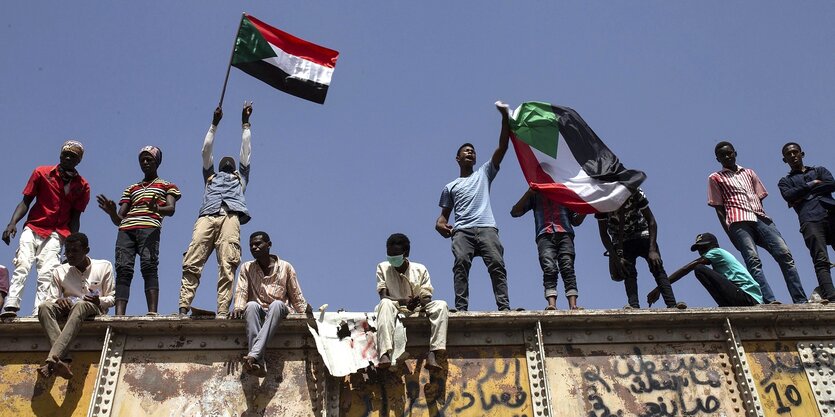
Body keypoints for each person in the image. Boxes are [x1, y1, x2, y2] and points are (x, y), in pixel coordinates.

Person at [435, 101, 512, 312]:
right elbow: (442, 217)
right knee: (460, 266)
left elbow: (503, 147)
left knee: (497, 265)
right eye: (466, 151)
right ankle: (461, 308)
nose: (470, 153)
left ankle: (504, 308)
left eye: (473, 151)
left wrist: (505, 118)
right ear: (457, 158)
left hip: (487, 227)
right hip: (462, 232)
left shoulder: (484, 174)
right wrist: (440, 225)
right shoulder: (450, 186)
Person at [708, 141, 807, 303]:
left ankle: (800, 299)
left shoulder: (749, 173)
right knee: (753, 261)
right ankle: (769, 300)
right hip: (738, 220)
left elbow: (758, 196)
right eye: (722, 155)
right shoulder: (715, 178)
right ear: (718, 159)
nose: (727, 157)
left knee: (785, 254)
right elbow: (719, 208)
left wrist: (762, 218)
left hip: (760, 217)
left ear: (735, 153)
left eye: (729, 153)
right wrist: (729, 232)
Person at [2, 141, 90, 319]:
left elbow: (75, 217)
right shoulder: (42, 173)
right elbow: (26, 201)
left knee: (48, 273)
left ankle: (39, 311)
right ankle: (12, 304)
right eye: (65, 154)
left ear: (78, 161)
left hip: (57, 234)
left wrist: (72, 245)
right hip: (34, 226)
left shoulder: (82, 186)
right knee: (23, 264)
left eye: (72, 156)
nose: (67, 158)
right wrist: (12, 223)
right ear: (60, 155)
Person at [180, 102, 253, 318]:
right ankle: (184, 306)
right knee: (193, 259)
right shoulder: (210, 177)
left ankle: (222, 310)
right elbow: (205, 151)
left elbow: (246, 152)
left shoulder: (241, 178)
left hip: (230, 217)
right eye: (225, 163)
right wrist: (214, 124)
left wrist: (245, 124)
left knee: (227, 264)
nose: (229, 164)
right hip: (208, 216)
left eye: (231, 163)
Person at [97, 146, 180, 315]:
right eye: (142, 160)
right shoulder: (132, 188)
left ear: (157, 162)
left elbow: (170, 209)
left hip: (149, 228)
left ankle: (152, 312)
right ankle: (119, 314)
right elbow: (119, 219)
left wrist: (156, 207)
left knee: (148, 266)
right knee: (123, 269)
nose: (145, 162)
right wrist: (112, 212)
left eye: (149, 159)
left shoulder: (166, 186)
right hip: (126, 229)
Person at [231, 231, 310, 377]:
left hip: (279, 311)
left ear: (269, 245)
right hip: (259, 311)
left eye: (258, 244)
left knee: (277, 304)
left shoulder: (285, 267)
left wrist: (307, 314)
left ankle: (254, 355)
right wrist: (238, 307)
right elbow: (241, 291)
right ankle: (257, 362)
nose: (254, 248)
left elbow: (296, 295)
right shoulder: (246, 268)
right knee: (251, 306)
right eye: (251, 246)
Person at [36, 233, 114, 379]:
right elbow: (51, 298)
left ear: (86, 250)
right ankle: (63, 360)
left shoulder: (104, 266)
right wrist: (58, 301)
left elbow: (111, 298)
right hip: (68, 309)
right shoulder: (60, 271)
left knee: (80, 304)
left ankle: (51, 363)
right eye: (67, 251)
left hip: (92, 308)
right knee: (44, 307)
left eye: (75, 251)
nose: (70, 255)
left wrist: (99, 301)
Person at [596, 189, 686, 309]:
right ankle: (634, 306)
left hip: (642, 233)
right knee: (628, 272)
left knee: (657, 267)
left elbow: (651, 221)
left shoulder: (634, 191)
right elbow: (603, 234)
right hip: (621, 241)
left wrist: (652, 249)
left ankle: (672, 305)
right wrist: (616, 258)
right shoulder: (600, 201)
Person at [375, 233, 448, 370]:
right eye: (389, 256)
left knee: (441, 305)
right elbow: (384, 296)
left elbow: (427, 297)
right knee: (384, 304)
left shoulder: (420, 269)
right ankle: (384, 353)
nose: (392, 260)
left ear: (406, 253)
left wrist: (418, 301)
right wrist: (403, 301)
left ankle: (433, 353)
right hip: (394, 307)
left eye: (395, 257)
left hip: (417, 308)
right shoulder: (382, 267)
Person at [511, 188, 586, 310]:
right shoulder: (535, 193)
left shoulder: (564, 191)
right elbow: (515, 212)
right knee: (549, 268)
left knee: (567, 267)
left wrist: (587, 208)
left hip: (564, 233)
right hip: (545, 234)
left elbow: (576, 220)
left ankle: (573, 305)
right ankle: (551, 305)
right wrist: (528, 193)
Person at [778, 142, 835, 302]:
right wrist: (813, 184)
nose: (793, 155)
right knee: (821, 259)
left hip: (831, 213)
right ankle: (831, 296)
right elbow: (789, 195)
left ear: (802, 154)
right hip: (810, 220)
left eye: (795, 152)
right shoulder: (785, 181)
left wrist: (802, 195)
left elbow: (832, 183)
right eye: (789, 154)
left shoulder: (819, 170)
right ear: (785, 160)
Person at [649, 232, 763, 307]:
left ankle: (724, 306)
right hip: (746, 297)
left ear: (714, 245)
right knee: (705, 271)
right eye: (699, 249)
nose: (701, 251)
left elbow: (686, 269)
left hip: (748, 297)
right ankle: (725, 305)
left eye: (704, 247)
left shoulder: (717, 252)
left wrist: (660, 288)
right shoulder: (719, 261)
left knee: (699, 269)